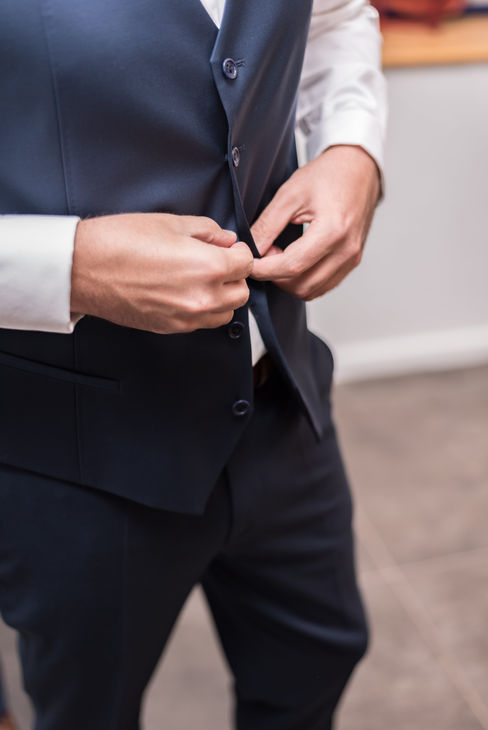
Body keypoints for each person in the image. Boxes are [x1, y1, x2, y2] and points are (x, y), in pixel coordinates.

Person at [0, 1, 387, 728]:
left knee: (318, 658)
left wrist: (351, 149)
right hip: (74, 448)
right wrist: (72, 266)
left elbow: (336, 18)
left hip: (279, 399)